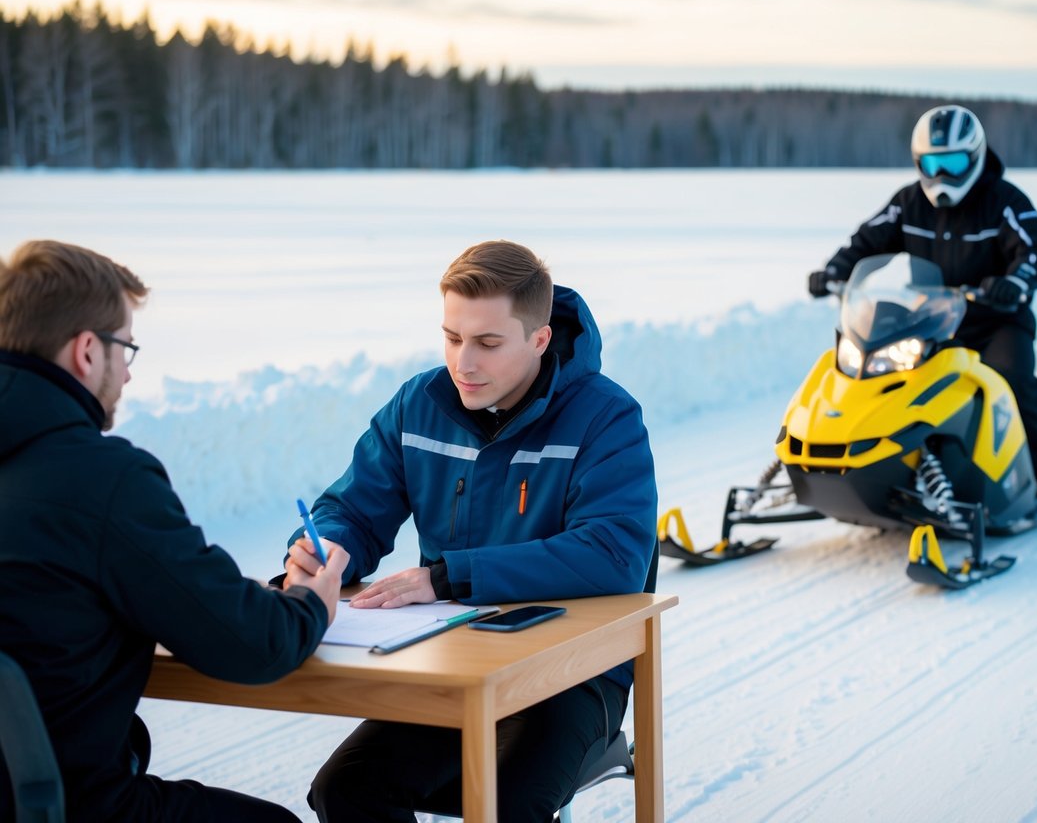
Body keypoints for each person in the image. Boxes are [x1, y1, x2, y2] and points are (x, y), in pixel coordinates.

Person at [285, 240, 658, 822]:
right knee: (346, 791)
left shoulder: (605, 416)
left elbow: (614, 555)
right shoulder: (420, 403)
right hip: (452, 661)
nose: (464, 362)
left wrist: (449, 577)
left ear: (539, 340)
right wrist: (323, 548)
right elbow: (354, 509)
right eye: (452, 337)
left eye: (487, 343)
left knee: (506, 805)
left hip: (572, 676)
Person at [0, 240, 350, 822]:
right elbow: (254, 644)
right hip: (73, 804)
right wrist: (311, 605)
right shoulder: (101, 479)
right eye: (125, 347)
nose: (130, 373)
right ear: (87, 351)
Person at [809, 104, 1037, 514]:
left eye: (953, 162)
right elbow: (867, 240)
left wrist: (1016, 281)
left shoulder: (1004, 201)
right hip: (935, 320)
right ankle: (885, 471)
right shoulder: (909, 202)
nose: (942, 174)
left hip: (997, 320)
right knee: (885, 381)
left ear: (975, 157)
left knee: (1012, 379)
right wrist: (835, 270)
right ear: (918, 162)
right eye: (932, 162)